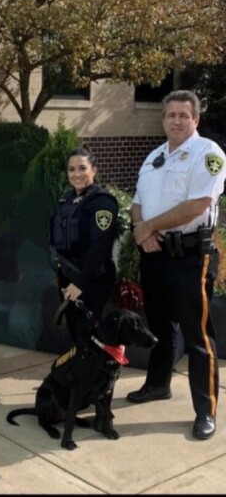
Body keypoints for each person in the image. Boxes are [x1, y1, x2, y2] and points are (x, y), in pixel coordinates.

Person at [126, 89, 226, 441]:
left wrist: (148, 227)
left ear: (195, 120)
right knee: (160, 326)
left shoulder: (208, 153)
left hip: (189, 258)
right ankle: (157, 385)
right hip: (155, 255)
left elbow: (198, 204)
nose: (177, 121)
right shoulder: (154, 156)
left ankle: (206, 410)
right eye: (171, 115)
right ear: (163, 119)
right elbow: (137, 202)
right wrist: (142, 234)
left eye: (184, 115)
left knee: (198, 335)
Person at [49, 146, 119, 345]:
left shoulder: (102, 203)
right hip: (68, 278)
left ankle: (91, 375)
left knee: (87, 334)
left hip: (91, 279)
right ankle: (79, 373)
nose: (76, 174)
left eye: (82, 168)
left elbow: (100, 246)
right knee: (75, 332)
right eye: (71, 169)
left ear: (94, 170)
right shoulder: (67, 200)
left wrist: (80, 283)